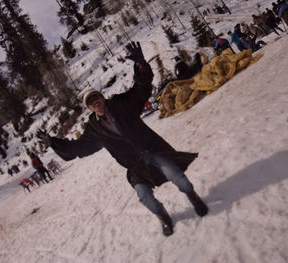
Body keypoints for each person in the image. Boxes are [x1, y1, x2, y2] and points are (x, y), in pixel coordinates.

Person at [37, 42, 208, 236]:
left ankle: (193, 197)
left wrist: (141, 65)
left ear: (102, 98)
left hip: (152, 152)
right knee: (145, 198)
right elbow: (79, 148)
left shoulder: (122, 104)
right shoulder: (93, 130)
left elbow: (141, 88)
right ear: (89, 108)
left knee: (177, 176)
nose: (95, 102)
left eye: (97, 97)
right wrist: (54, 142)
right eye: (91, 102)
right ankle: (163, 217)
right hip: (135, 166)